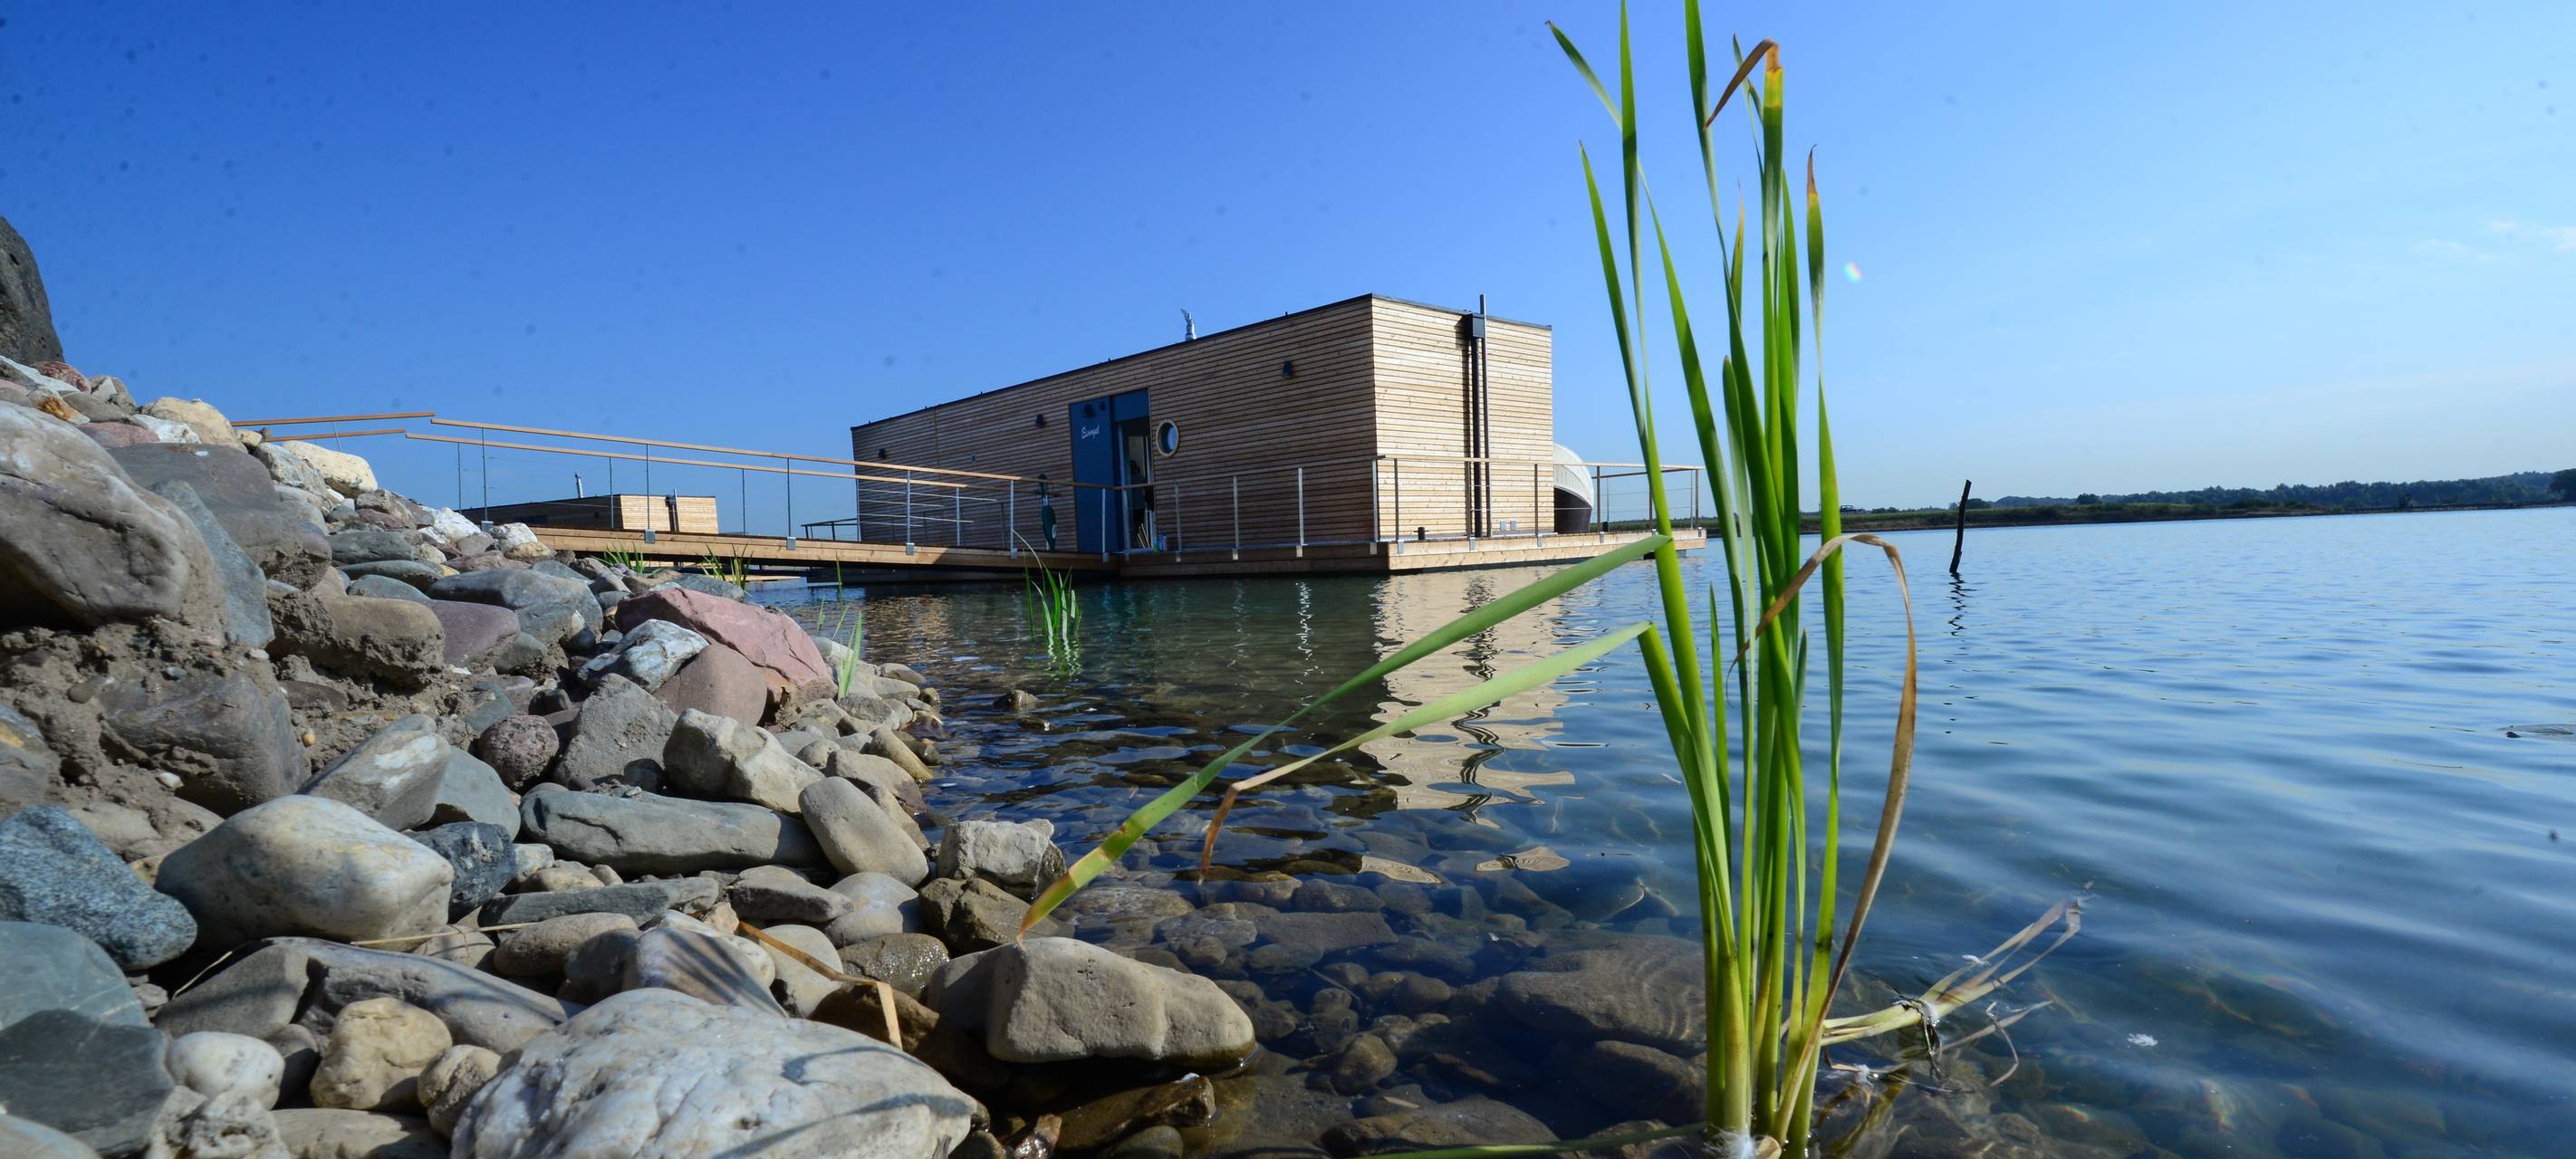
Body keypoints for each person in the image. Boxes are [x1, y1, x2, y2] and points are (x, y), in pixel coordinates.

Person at [1036, 474, 1059, 551]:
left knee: (1049, 530)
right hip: (1047, 512)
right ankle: (1051, 546)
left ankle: (1051, 546)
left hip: (1048, 514)